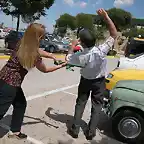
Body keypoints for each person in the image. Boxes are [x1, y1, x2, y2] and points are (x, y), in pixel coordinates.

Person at [0, 23, 66, 139]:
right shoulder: (33, 54)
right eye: (42, 36)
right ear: (38, 37)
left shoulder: (21, 43)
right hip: (11, 85)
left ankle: (15, 131)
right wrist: (61, 66)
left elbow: (39, 51)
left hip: (4, 77)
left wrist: (52, 56)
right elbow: (45, 70)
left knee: (20, 104)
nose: (43, 38)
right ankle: (15, 131)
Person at [65, 8, 117, 140]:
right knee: (97, 106)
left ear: (82, 42)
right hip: (99, 82)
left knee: (80, 103)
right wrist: (106, 17)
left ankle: (75, 129)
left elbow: (68, 58)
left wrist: (72, 45)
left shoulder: (80, 56)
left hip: (85, 81)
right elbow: (113, 34)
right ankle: (91, 132)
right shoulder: (101, 50)